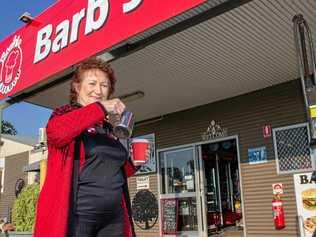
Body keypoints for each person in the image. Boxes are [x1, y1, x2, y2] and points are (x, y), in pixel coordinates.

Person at [34, 58, 145, 237]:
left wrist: (136, 161)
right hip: (78, 216)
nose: (98, 90)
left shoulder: (108, 128)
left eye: (104, 85)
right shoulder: (64, 114)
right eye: (92, 83)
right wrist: (101, 107)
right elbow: (56, 133)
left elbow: (117, 170)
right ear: (77, 87)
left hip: (113, 217)